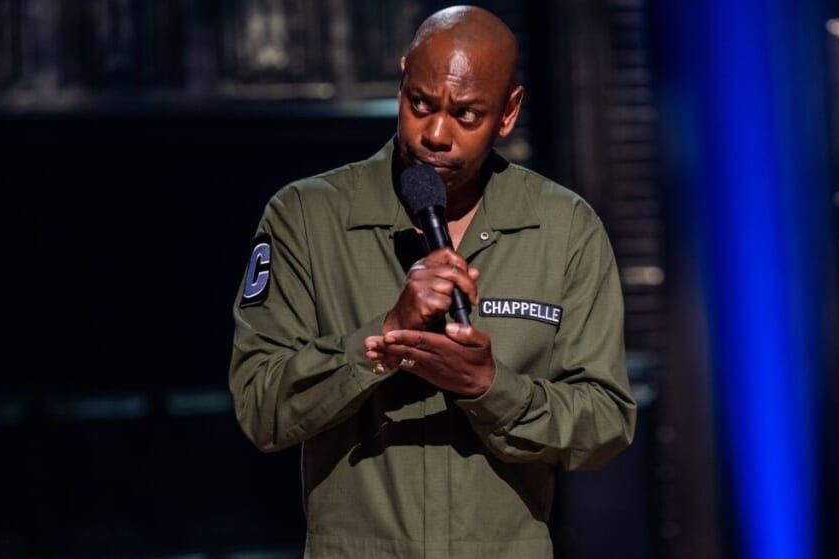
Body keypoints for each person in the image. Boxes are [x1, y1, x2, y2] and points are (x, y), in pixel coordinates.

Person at [229, 6, 636, 558]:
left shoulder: (565, 228)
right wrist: (382, 340)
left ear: (509, 112)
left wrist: (491, 389)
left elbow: (606, 421)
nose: (436, 134)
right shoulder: (305, 216)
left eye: (467, 115)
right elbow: (260, 408)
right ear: (401, 79)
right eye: (420, 103)